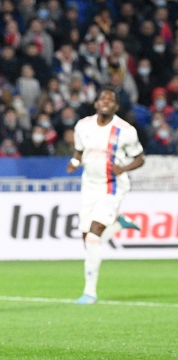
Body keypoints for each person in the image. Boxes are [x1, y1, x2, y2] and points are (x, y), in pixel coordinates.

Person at [66, 85, 145, 305]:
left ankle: (89, 292)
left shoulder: (125, 130)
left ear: (116, 106)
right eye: (103, 98)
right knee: (88, 238)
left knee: (94, 233)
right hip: (89, 185)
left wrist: (124, 168)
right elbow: (79, 152)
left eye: (110, 99)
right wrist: (74, 162)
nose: (106, 102)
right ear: (96, 103)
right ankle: (118, 225)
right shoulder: (83, 125)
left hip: (112, 185)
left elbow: (140, 158)